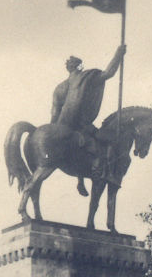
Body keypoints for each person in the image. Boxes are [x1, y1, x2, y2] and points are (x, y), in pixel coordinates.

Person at [50, 45, 127, 194]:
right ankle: (106, 173)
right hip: (82, 125)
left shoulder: (59, 88)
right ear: (79, 67)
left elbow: (54, 113)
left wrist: (53, 131)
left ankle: (80, 179)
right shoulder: (87, 77)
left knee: (81, 146)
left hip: (62, 126)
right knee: (109, 141)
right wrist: (119, 54)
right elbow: (108, 73)